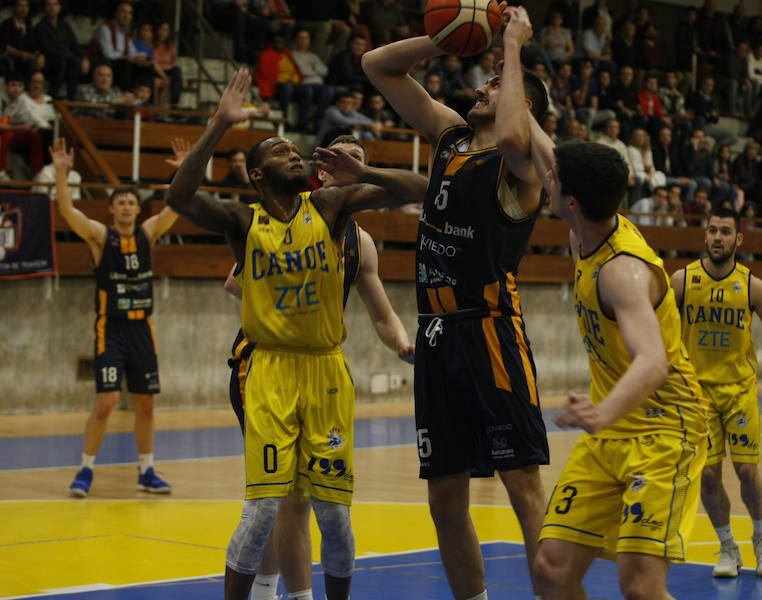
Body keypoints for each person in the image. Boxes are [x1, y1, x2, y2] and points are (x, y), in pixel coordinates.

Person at [162, 69, 426, 600]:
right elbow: (180, 196)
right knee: (264, 508)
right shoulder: (243, 222)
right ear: (258, 174)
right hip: (269, 368)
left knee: (333, 513)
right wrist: (219, 124)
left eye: (293, 148)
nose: (292, 152)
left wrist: (365, 170)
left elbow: (428, 189)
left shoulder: (328, 207)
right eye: (279, 150)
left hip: (326, 368)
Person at [504, 11, 708, 600]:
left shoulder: (622, 272)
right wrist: (512, 50)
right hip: (614, 431)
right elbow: (529, 140)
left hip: (666, 429)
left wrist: (601, 411)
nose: (545, 178)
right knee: (551, 570)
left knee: (640, 585)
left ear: (568, 200)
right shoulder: (584, 219)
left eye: (553, 182)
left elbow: (653, 362)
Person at [362, 10, 551, 599]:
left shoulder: (522, 167)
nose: (482, 85)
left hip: (491, 334)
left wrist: (513, 47)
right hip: (436, 335)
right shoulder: (449, 135)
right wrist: (443, 38)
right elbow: (377, 65)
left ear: (521, 103)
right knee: (443, 497)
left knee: (523, 487)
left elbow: (516, 135)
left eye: (496, 83)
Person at [226, 134, 415, 600]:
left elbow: (381, 313)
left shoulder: (359, 241)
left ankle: (277, 590)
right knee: (282, 499)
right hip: (263, 362)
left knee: (317, 504)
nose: (345, 166)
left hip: (320, 365)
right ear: (322, 168)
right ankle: (288, 594)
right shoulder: (283, 216)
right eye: (338, 158)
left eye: (357, 161)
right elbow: (233, 282)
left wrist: (402, 344)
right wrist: (285, 303)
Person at [48, 138, 179, 497]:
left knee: (146, 403)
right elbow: (67, 212)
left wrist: (183, 172)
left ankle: (146, 471)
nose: (126, 206)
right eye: (120, 202)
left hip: (143, 329)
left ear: (138, 209)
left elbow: (177, 204)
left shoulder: (148, 233)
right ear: (111, 208)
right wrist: (61, 173)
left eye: (131, 202)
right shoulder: (100, 237)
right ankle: (85, 470)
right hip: (111, 329)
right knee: (105, 402)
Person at [670, 206, 762, 579]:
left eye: (725, 231)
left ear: (738, 239)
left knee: (746, 471)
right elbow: (656, 328)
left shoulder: (753, 286)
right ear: (705, 235)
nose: (717, 237)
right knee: (708, 476)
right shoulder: (682, 281)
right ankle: (727, 547)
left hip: (739, 392)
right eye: (712, 230)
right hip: (697, 395)